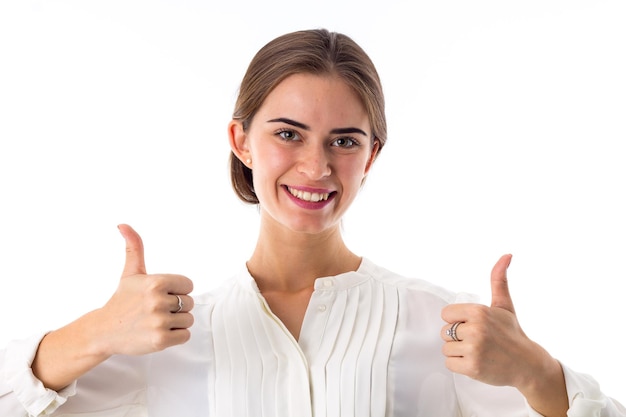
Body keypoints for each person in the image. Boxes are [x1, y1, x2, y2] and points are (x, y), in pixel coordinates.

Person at [0, 28, 623, 417]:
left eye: (345, 140)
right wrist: (97, 331)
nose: (316, 165)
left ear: (371, 156)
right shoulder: (165, 334)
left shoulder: (444, 327)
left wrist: (534, 372)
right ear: (241, 140)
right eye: (288, 133)